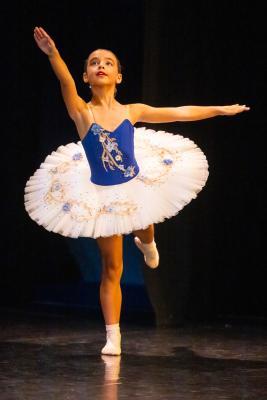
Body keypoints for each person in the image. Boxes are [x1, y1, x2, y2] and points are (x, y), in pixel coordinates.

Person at [24, 26, 249, 356]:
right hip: (101, 191)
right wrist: (53, 54)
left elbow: (179, 113)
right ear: (86, 76)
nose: (101, 65)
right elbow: (65, 84)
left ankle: (147, 241)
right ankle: (113, 335)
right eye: (93, 63)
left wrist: (220, 109)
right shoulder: (82, 112)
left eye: (108, 63)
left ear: (118, 76)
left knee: (145, 216)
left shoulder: (132, 111)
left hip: (134, 182)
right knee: (112, 267)